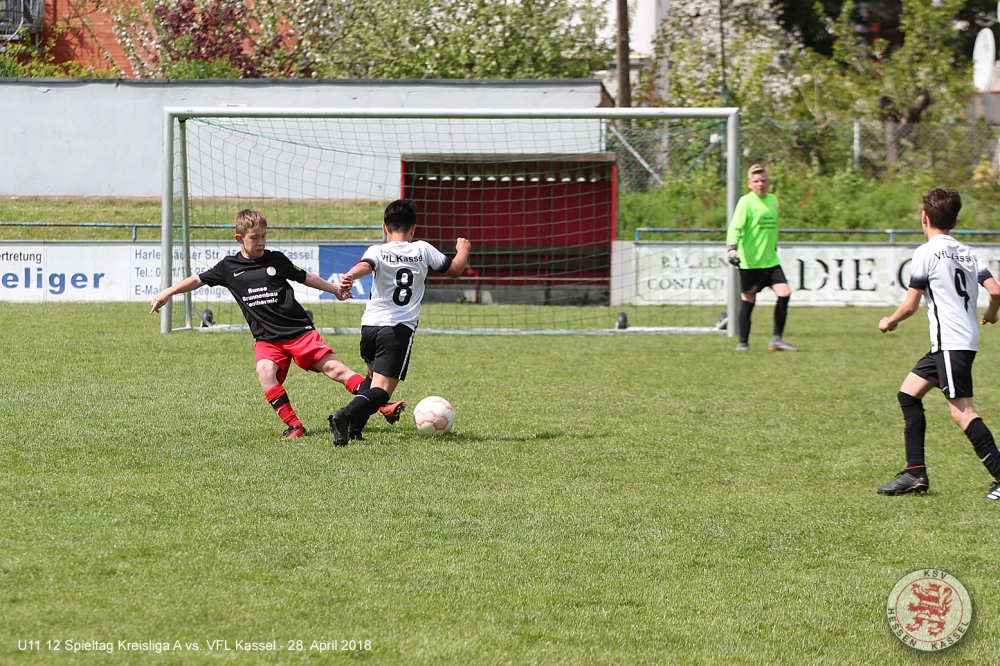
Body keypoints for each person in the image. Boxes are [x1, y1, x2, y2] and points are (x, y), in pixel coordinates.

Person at [150, 209, 367, 440]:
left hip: (299, 332)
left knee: (335, 369)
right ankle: (295, 425)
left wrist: (335, 289)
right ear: (239, 238)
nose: (261, 242)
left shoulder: (276, 260)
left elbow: (306, 276)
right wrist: (168, 292)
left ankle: (380, 402)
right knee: (264, 371)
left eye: (264, 236)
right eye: (254, 238)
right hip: (267, 339)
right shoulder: (228, 267)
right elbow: (197, 280)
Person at [876, 188, 1000, 500]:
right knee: (908, 394)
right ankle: (915, 472)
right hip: (958, 341)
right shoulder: (969, 252)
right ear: (955, 222)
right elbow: (996, 290)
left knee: (963, 413)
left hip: (951, 343)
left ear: (924, 217)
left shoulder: (926, 252)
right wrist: (991, 313)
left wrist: (889, 321)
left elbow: (910, 306)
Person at [328, 199, 471, 447]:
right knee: (382, 391)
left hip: (370, 327)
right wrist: (463, 249)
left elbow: (365, 266)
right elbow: (455, 269)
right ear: (413, 229)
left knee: (372, 379)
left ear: (384, 228)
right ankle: (346, 415)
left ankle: (353, 429)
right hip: (397, 329)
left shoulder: (377, 250)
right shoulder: (423, 249)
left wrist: (350, 275)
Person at [725, 163, 797, 352]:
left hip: (770, 260)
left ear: (769, 182)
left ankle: (777, 340)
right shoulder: (746, 202)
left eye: (763, 180)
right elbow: (735, 228)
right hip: (750, 261)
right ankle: (743, 343)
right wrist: (732, 249)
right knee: (749, 300)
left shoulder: (773, 200)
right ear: (749, 184)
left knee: (785, 293)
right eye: (756, 181)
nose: (760, 184)